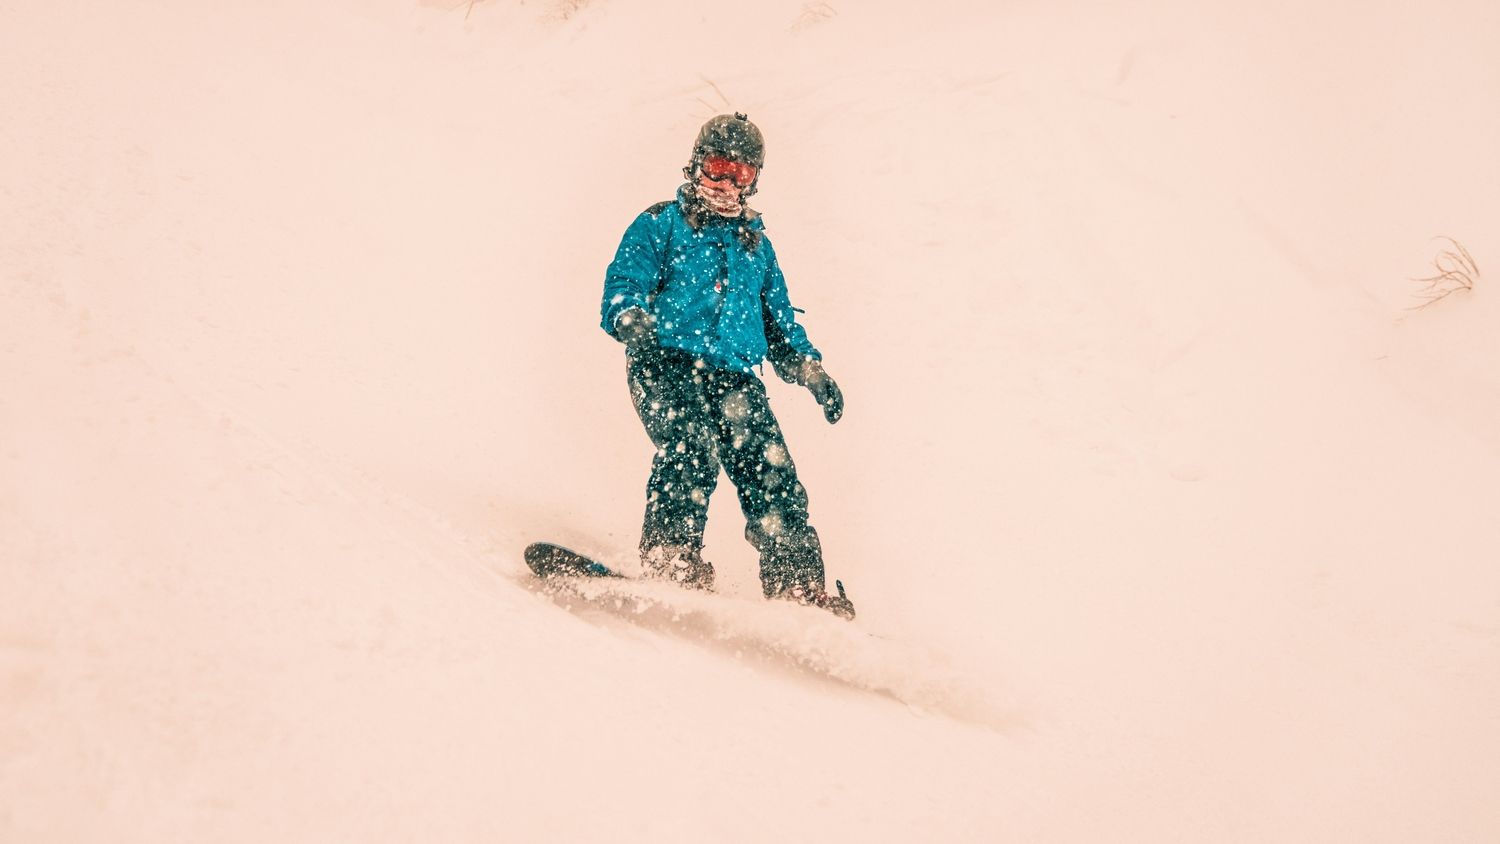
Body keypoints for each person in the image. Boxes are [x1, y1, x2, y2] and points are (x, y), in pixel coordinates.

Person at [599, 113, 854, 619]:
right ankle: (672, 555)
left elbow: (778, 325)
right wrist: (630, 317)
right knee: (691, 444)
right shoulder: (660, 223)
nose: (725, 184)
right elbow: (625, 280)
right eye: (717, 169)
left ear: (753, 180)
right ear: (695, 166)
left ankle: (798, 586)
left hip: (734, 377)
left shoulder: (755, 247)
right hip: (664, 362)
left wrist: (809, 370)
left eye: (739, 175)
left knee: (770, 468)